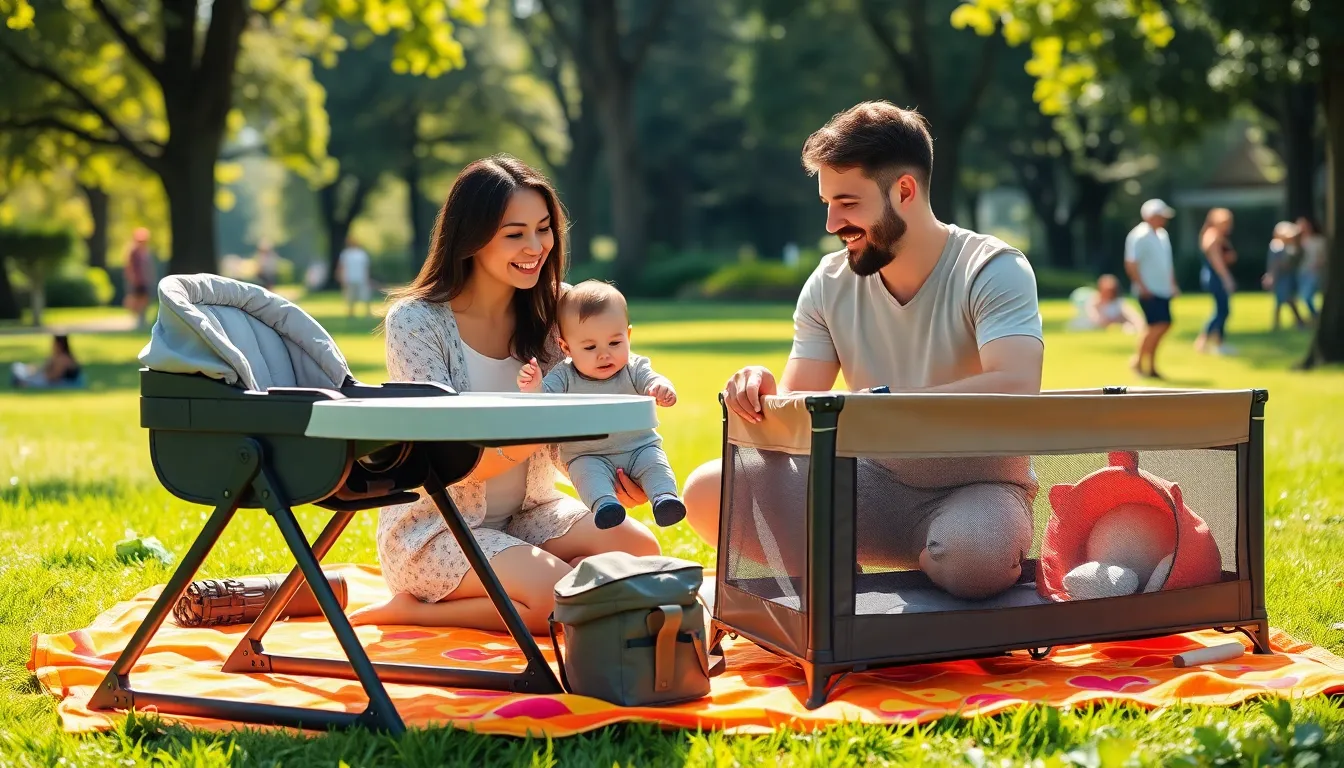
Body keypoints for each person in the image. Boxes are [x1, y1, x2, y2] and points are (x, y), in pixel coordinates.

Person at [680, 101, 1044, 601]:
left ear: (905, 191)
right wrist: (764, 394)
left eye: (847, 203)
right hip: (863, 486)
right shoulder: (829, 283)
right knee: (707, 491)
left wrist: (883, 404)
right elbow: (799, 411)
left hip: (977, 490)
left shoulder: (992, 269)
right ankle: (844, 588)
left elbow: (1016, 383)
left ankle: (909, 574)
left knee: (974, 556)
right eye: (827, 203)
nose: (832, 223)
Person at [348, 155, 660, 632]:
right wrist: (538, 424)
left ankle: (550, 582)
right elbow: (447, 458)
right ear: (471, 237)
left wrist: (613, 478)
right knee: (558, 599)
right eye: (515, 234)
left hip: (531, 513)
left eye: (544, 229)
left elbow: (570, 433)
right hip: (439, 529)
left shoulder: (558, 309)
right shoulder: (416, 321)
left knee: (640, 554)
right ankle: (415, 611)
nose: (535, 247)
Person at [517, 279, 686, 531]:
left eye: (615, 343)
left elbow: (653, 379)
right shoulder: (564, 376)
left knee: (655, 465)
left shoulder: (634, 368)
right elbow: (544, 401)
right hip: (587, 454)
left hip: (638, 447)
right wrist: (534, 387)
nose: (604, 354)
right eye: (590, 347)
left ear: (628, 336)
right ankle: (606, 506)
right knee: (586, 476)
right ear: (566, 347)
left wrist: (662, 387)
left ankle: (665, 499)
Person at [1124, 199, 1180, 379]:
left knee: (1162, 324)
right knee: (1156, 325)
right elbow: (1131, 264)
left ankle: (1151, 364)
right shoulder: (1139, 235)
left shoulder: (1162, 235)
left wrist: (1172, 284)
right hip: (1149, 290)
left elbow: (1166, 263)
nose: (1164, 220)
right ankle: (1138, 361)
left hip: (1162, 288)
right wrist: (1142, 286)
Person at [1194, 207, 1238, 356]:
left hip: (1215, 276)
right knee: (1222, 310)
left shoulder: (1217, 236)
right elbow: (1216, 261)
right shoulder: (1212, 237)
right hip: (1216, 277)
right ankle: (1204, 340)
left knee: (1221, 310)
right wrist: (1227, 279)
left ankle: (1218, 342)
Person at [1263, 220, 1307, 332]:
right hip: (1280, 277)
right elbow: (1275, 264)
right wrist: (1271, 276)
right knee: (1284, 299)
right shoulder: (1277, 246)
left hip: (1286, 277)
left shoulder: (1289, 247)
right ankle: (1288, 322)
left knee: (1285, 299)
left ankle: (1280, 323)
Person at [1068, 274, 1144, 333]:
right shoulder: (1094, 301)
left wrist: (1137, 325)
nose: (1107, 293)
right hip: (1093, 325)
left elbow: (1132, 315)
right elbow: (1094, 317)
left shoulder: (1118, 303)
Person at [10, 335, 83, 389]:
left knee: (21, 374)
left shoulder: (63, 359)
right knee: (18, 367)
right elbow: (45, 367)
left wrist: (38, 376)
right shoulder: (56, 356)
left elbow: (54, 377)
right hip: (44, 377)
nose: (52, 346)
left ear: (59, 345)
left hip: (50, 381)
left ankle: (22, 382)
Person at [123, 227, 154, 330]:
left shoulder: (145, 251)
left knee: (144, 299)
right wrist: (132, 278)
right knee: (136, 300)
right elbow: (129, 267)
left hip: (144, 280)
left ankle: (142, 318)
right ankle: (139, 320)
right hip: (137, 280)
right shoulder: (134, 252)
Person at [1296, 215, 1326, 320]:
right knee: (1303, 297)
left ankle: (1316, 315)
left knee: (1307, 296)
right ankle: (1315, 317)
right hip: (1301, 272)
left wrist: (1317, 266)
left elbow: (1323, 257)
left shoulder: (1318, 241)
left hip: (1313, 272)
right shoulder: (1297, 242)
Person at [337, 236, 373, 317]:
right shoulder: (345, 254)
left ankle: (367, 311)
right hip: (349, 278)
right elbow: (342, 266)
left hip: (361, 278)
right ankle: (351, 312)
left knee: (365, 295)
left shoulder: (362, 254)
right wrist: (341, 277)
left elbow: (366, 267)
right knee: (350, 297)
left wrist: (367, 278)